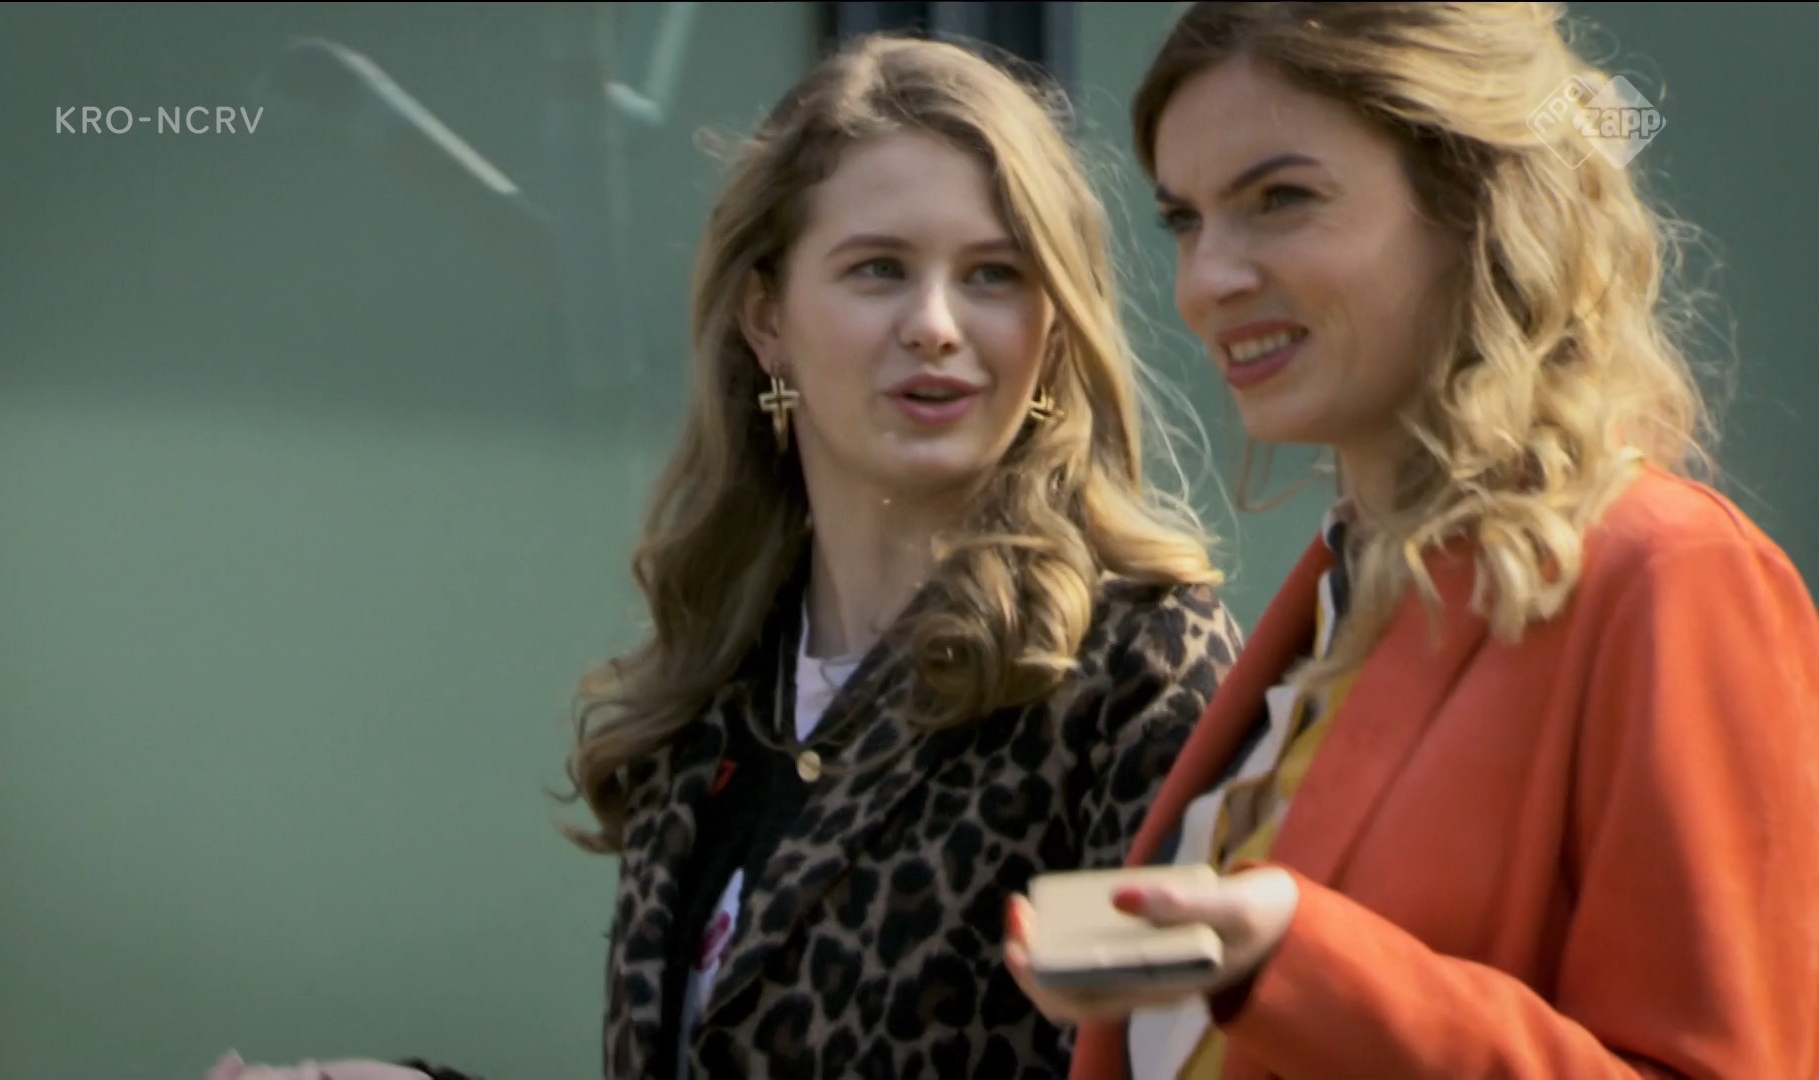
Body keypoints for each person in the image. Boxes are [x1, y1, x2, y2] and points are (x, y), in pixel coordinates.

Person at [210, 30, 1242, 1080]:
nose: (936, 324)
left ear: (1053, 326)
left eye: (993, 275)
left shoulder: (1135, 667)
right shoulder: (715, 690)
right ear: (766, 319)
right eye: (879, 269)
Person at [999, 3, 1819, 1078]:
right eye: (1185, 221)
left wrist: (1302, 965)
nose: (1206, 281)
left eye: (1281, 199)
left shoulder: (1670, 574)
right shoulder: (1336, 601)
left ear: (1474, 202)